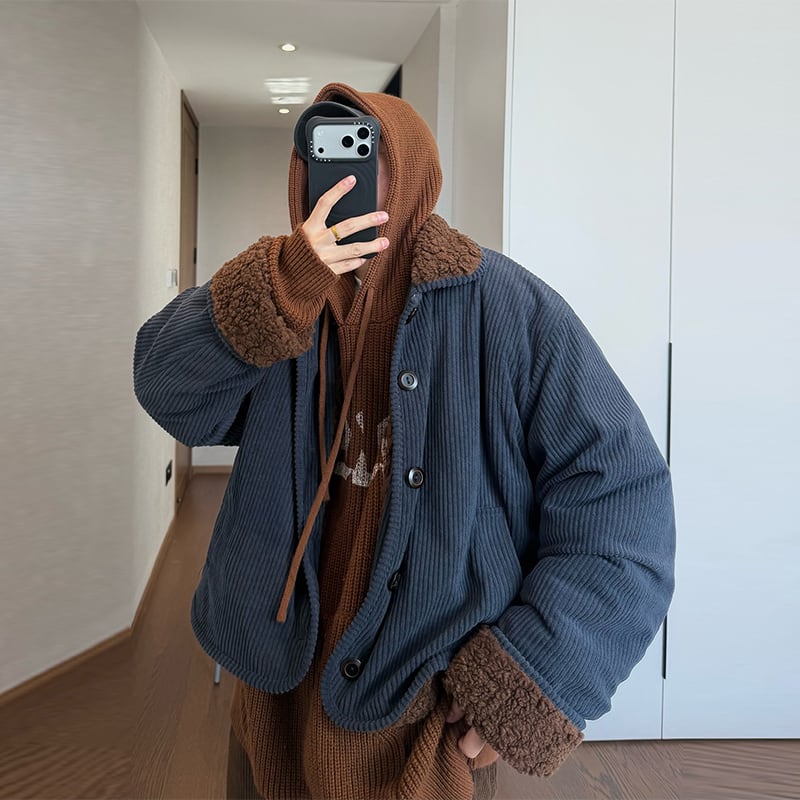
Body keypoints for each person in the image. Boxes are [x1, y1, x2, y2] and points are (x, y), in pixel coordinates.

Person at [133, 82, 676, 800]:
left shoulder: (507, 307)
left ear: (413, 170)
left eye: (365, 153)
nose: (343, 176)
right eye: (323, 154)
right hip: (273, 696)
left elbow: (625, 500)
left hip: (426, 719)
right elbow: (168, 390)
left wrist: (532, 675)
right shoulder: (280, 303)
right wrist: (281, 284)